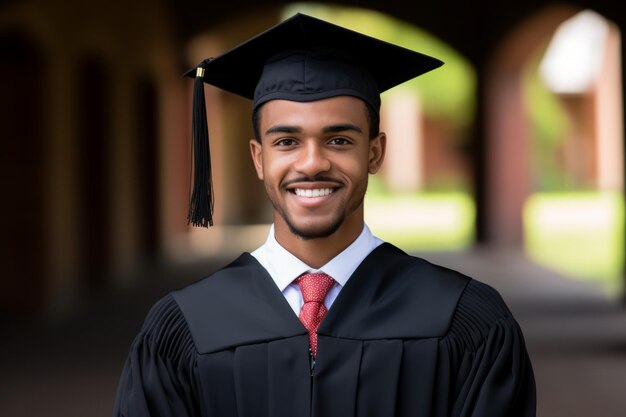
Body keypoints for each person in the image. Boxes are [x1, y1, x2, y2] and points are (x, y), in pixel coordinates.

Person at [113, 13, 536, 417]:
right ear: (258, 158)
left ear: (374, 152)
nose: (312, 163)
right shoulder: (185, 328)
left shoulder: (464, 321)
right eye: (286, 142)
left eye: (337, 140)